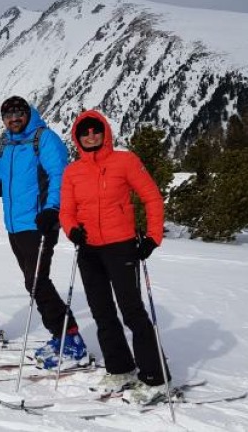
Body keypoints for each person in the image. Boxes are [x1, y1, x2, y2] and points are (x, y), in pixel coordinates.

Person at [0, 96, 88, 370]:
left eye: (18, 113)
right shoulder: (10, 145)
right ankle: (62, 337)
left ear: (28, 114)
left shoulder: (44, 139)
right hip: (16, 227)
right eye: (8, 116)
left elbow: (59, 176)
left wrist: (52, 209)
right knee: (33, 282)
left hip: (39, 223)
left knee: (37, 281)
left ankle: (71, 339)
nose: (14, 119)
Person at [59, 109, 169, 404]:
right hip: (89, 250)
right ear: (77, 137)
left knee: (132, 311)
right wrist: (72, 230)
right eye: (85, 132)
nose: (91, 136)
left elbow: (152, 198)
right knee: (102, 312)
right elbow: (66, 210)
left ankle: (156, 378)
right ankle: (120, 369)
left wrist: (152, 237)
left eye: (95, 130)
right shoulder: (73, 171)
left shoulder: (125, 161)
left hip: (121, 247)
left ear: (105, 132)